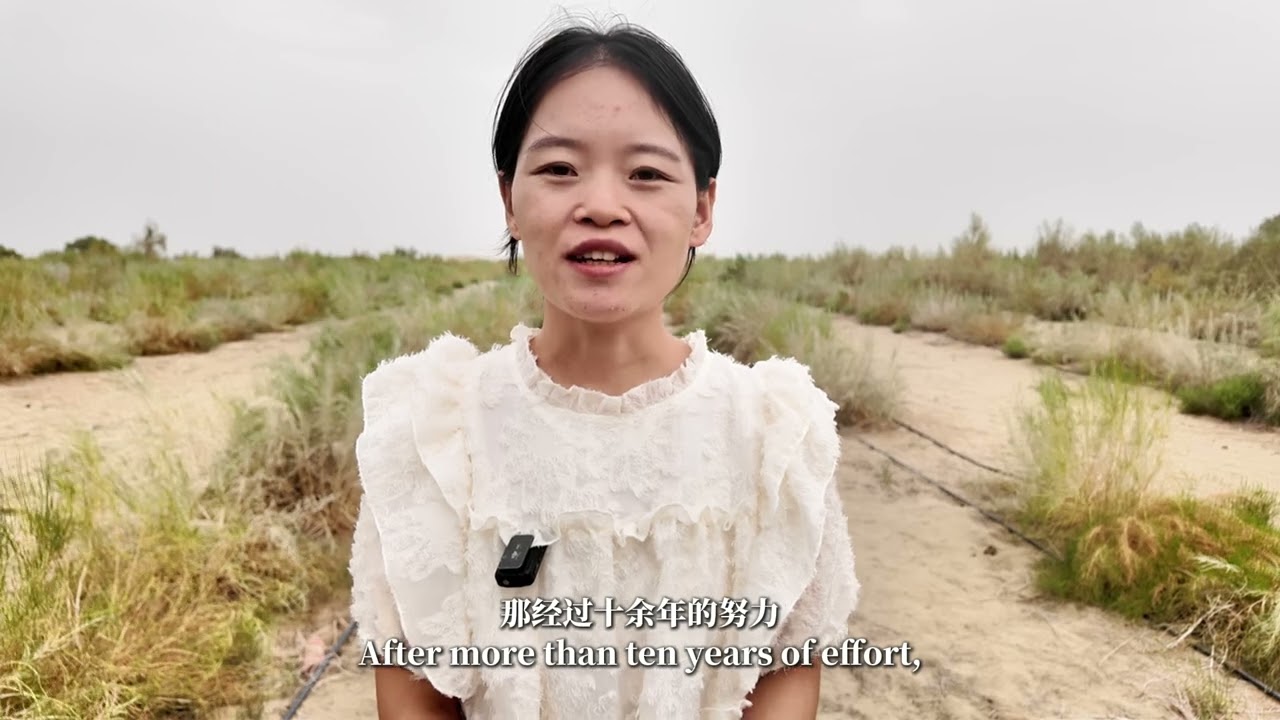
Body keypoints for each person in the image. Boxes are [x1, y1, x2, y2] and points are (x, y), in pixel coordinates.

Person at [348, 16, 859, 720]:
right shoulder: (437, 437)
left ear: (703, 209)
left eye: (646, 174)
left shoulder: (772, 436)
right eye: (559, 169)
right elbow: (414, 685)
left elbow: (785, 669)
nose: (601, 207)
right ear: (510, 201)